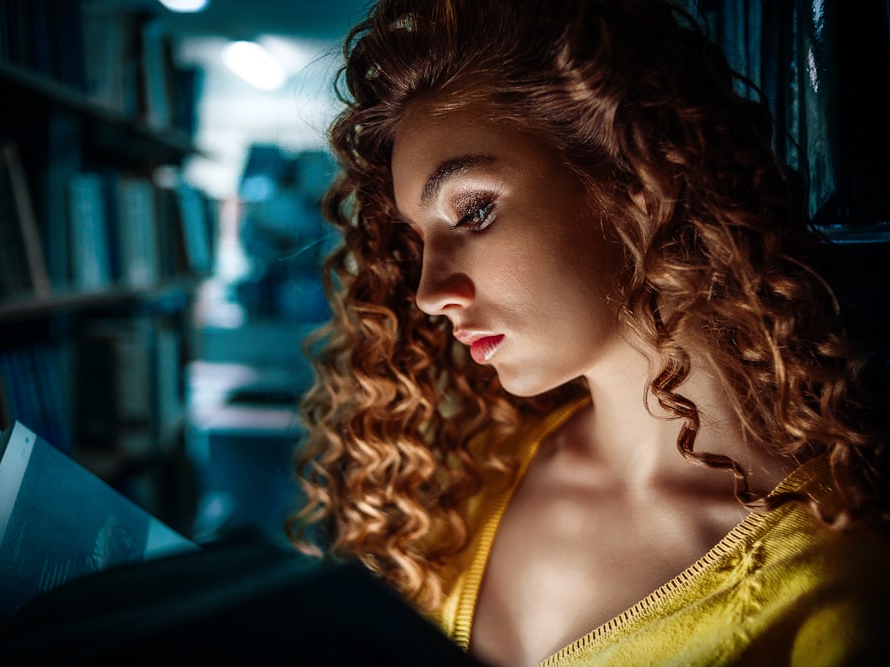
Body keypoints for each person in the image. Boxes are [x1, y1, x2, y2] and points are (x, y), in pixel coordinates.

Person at [288, 0, 890, 665]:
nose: (430, 293)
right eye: (419, 239)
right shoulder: (476, 477)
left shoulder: (833, 593)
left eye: (475, 209)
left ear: (635, 176)